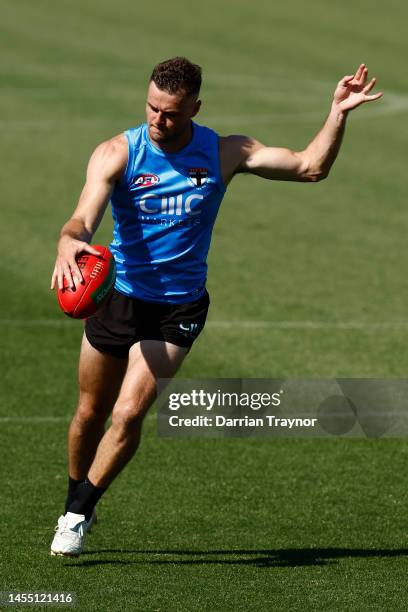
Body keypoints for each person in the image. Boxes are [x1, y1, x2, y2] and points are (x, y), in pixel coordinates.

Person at [50, 57, 382, 556]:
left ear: (195, 109)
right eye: (152, 108)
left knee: (129, 412)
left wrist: (337, 113)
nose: (158, 122)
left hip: (177, 308)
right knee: (90, 413)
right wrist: (67, 241)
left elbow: (310, 167)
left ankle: (77, 514)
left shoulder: (225, 152)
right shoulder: (117, 153)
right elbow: (82, 219)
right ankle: (77, 495)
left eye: (171, 114)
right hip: (118, 298)